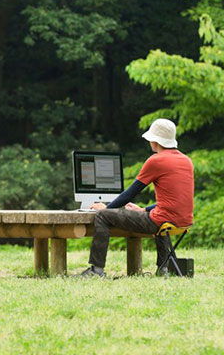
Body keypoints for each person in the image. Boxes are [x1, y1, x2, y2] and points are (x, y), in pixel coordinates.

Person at [80, 118, 194, 277]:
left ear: (155, 141)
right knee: (159, 217)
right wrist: (144, 210)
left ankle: (96, 270)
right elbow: (177, 201)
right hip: (184, 222)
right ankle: (164, 268)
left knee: (102, 216)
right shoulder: (186, 161)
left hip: (161, 221)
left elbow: (130, 193)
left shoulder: (156, 161)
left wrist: (106, 207)